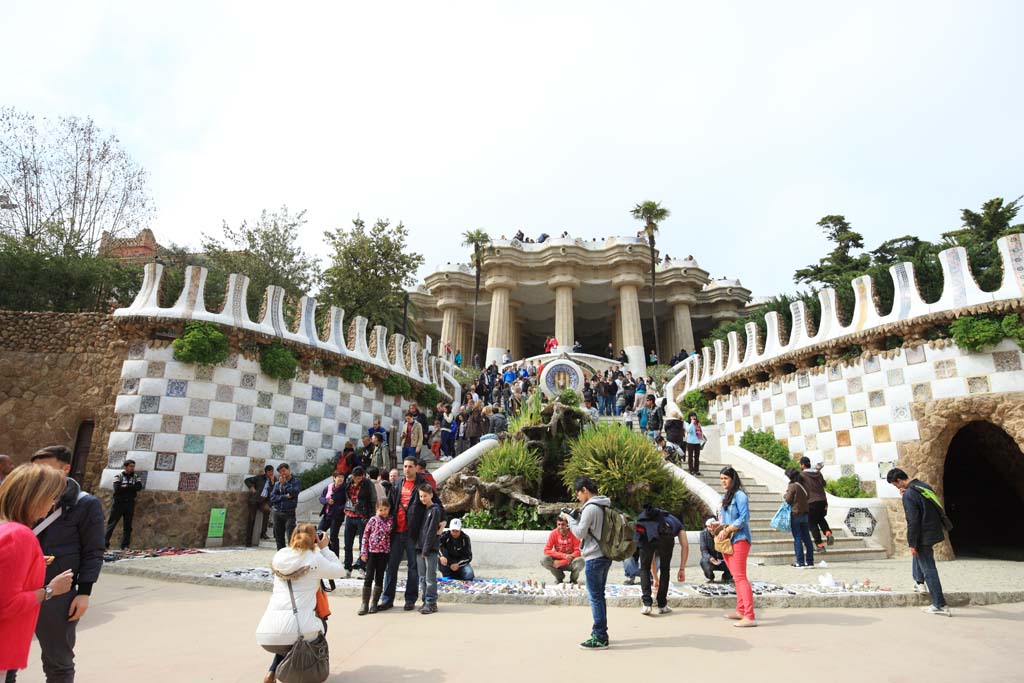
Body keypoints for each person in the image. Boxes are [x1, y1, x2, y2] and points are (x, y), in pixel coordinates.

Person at [23, 445, 105, 683]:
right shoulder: (23, 500)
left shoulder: (85, 504)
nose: (40, 475)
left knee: (58, 660)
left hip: (60, 592)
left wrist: (84, 592)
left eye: (47, 468)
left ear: (65, 468)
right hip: (20, 588)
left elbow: (93, 550)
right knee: (7, 659)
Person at [0, 464, 75, 681]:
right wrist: (50, 590)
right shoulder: (19, 535)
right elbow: (7, 604)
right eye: (51, 497)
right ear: (37, 498)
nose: (53, 505)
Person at [255, 523, 343, 682]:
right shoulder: (314, 559)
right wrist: (324, 548)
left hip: (265, 634)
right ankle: (303, 675)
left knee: (292, 634)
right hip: (296, 630)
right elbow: (339, 571)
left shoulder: (280, 556)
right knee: (313, 629)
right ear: (314, 539)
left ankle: (272, 671)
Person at [379, 457, 444, 612]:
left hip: (414, 534)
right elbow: (389, 505)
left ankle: (410, 600)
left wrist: (444, 521)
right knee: (391, 567)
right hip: (396, 532)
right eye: (405, 466)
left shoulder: (423, 485)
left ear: (416, 468)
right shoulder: (397, 484)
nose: (407, 469)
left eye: (410, 466)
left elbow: (438, 505)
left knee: (413, 568)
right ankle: (387, 599)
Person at [886, 468, 952, 616]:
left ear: (899, 481)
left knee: (929, 568)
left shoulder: (909, 494)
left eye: (895, 485)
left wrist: (912, 543)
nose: (897, 488)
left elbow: (913, 522)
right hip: (933, 531)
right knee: (923, 560)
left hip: (922, 535)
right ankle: (919, 582)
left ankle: (939, 604)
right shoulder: (923, 486)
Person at [563, 476, 612, 650]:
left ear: (585, 490)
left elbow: (581, 533)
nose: (578, 497)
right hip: (606, 556)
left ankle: (599, 637)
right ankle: (602, 633)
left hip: (594, 557)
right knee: (600, 596)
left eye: (578, 493)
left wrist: (569, 519)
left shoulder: (591, 508)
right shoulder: (604, 504)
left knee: (595, 597)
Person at [718, 466, 756, 627]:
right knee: (735, 577)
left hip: (739, 538)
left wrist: (727, 530)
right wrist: (718, 528)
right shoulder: (726, 496)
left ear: (733, 479)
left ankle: (750, 615)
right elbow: (725, 519)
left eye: (725, 478)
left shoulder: (740, 495)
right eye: (721, 479)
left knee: (740, 577)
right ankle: (741, 610)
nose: (723, 482)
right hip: (727, 540)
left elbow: (744, 518)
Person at [635, 504, 688, 615]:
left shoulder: (650, 519)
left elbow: (651, 557)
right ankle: (662, 605)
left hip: (645, 534)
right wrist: (682, 569)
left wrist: (655, 578)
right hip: (666, 537)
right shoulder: (677, 523)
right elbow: (685, 546)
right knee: (665, 569)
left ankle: (646, 605)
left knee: (644, 568)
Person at [359, 499, 394, 615]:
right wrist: (363, 552)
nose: (383, 512)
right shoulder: (372, 520)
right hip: (371, 552)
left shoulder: (390, 521)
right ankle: (364, 603)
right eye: (380, 510)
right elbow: (365, 536)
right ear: (376, 510)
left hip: (383, 553)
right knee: (368, 576)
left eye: (385, 509)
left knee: (379, 576)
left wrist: (381, 519)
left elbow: (387, 529)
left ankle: (374, 602)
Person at [415, 484, 444, 614]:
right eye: (421, 496)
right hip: (420, 547)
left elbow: (432, 531)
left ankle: (431, 602)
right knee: (422, 577)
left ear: (431, 495)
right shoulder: (423, 509)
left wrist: (426, 550)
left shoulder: (435, 510)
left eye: (425, 496)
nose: (423, 498)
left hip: (429, 549)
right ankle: (425, 600)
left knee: (430, 577)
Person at [104, 458, 144, 550]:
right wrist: (130, 487)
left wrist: (126, 486)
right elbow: (117, 488)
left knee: (128, 525)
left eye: (133, 466)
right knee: (112, 524)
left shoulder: (136, 477)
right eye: (130, 466)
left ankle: (125, 545)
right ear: (125, 467)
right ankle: (105, 543)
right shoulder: (118, 476)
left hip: (130, 503)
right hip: (119, 503)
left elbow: (138, 487)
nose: (132, 468)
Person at [341, 467, 373, 578]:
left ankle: (362, 567)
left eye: (360, 478)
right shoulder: (348, 481)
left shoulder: (367, 484)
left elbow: (372, 500)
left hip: (361, 516)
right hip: (349, 514)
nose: (358, 480)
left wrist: (371, 517)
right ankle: (347, 567)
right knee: (347, 543)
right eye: (356, 478)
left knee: (363, 544)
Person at [799, 456, 833, 551]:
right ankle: (827, 533)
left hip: (811, 502)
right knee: (821, 519)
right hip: (822, 500)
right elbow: (824, 484)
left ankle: (819, 545)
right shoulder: (818, 473)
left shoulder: (802, 475)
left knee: (812, 523)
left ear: (802, 465)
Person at [784, 467, 814, 568]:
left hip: (795, 514)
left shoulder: (792, 486)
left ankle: (800, 562)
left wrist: (786, 494)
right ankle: (810, 562)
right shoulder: (804, 485)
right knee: (807, 538)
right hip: (805, 514)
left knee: (797, 538)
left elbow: (788, 499)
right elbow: (808, 496)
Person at [541, 516, 584, 583]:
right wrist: (563, 556)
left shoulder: (573, 533)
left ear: (567, 525)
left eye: (563, 524)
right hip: (557, 562)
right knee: (544, 559)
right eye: (559, 524)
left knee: (581, 561)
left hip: (570, 561)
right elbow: (546, 550)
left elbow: (578, 552)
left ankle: (573, 579)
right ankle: (559, 577)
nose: (561, 527)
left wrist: (564, 561)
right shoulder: (553, 533)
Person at [270, 463, 300, 550]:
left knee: (291, 537)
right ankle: (281, 558)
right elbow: (272, 498)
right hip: (277, 512)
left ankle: (291, 558)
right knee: (278, 538)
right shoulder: (277, 484)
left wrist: (285, 484)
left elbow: (294, 493)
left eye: (284, 471)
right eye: (280, 472)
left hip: (289, 513)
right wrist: (285, 496)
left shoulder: (296, 481)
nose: (282, 474)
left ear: (288, 470)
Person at [318, 472, 346, 562]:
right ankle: (324, 554)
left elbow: (347, 503)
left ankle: (335, 558)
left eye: (342, 477)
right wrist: (327, 501)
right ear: (334, 478)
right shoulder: (329, 487)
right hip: (327, 515)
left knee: (333, 537)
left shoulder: (345, 489)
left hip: (337, 516)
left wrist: (339, 509)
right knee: (319, 533)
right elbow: (321, 498)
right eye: (339, 477)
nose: (341, 479)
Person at [245, 465, 275, 546]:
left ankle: (263, 533)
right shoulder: (259, 478)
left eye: (272, 471)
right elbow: (247, 480)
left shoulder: (274, 480)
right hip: (255, 500)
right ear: (266, 472)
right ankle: (248, 542)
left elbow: (273, 492)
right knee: (251, 519)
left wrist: (272, 483)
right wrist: (251, 487)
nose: (271, 473)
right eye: (270, 472)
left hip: (263, 501)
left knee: (267, 510)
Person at [699, 518, 732, 583]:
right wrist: (710, 558)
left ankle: (727, 577)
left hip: (724, 560)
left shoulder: (724, 532)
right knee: (704, 561)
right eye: (709, 527)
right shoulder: (703, 534)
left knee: (734, 560)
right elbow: (703, 550)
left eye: (714, 526)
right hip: (712, 559)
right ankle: (710, 577)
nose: (712, 529)